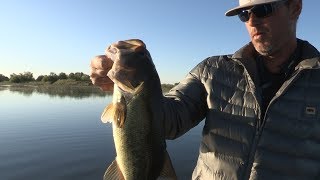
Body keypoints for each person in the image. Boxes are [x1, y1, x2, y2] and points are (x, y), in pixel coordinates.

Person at [90, 0, 320, 179]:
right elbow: (169, 121)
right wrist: (135, 96)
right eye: (244, 14)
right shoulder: (212, 70)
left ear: (295, 8)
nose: (252, 21)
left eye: (263, 10)